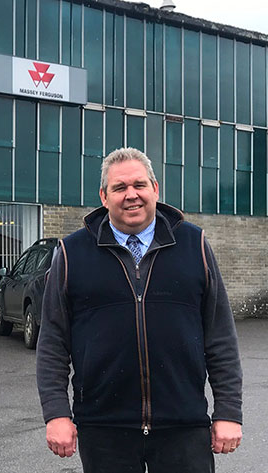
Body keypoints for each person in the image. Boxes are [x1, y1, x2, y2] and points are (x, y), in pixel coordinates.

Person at [36, 147, 242, 473]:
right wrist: (56, 413)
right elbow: (52, 343)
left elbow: (220, 337)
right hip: (104, 428)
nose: (131, 195)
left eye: (139, 185)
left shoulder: (194, 245)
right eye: (120, 188)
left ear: (155, 190)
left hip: (183, 425)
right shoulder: (72, 254)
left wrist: (229, 411)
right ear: (104, 197)